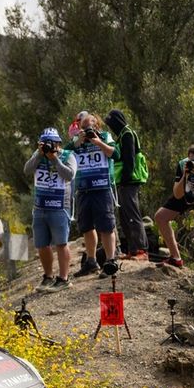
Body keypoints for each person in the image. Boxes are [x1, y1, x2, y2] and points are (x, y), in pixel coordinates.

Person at [67, 113, 120, 277]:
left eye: (89, 125)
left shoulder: (105, 136)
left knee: (106, 226)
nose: (87, 129)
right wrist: (78, 141)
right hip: (83, 190)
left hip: (102, 187)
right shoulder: (77, 142)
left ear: (97, 125)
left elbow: (116, 154)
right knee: (86, 226)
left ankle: (110, 261)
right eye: (83, 127)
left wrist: (97, 141)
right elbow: (64, 154)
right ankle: (91, 261)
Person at [24, 128, 78, 292]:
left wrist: (55, 160)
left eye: (51, 142)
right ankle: (48, 277)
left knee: (61, 243)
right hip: (40, 207)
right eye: (45, 142)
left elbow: (69, 175)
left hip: (59, 206)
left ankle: (64, 279)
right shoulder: (37, 154)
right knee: (41, 244)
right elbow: (27, 170)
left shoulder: (68, 155)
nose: (48, 145)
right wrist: (39, 155)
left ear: (58, 143)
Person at [104, 109, 149, 260]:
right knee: (124, 216)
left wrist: (125, 178)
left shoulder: (127, 134)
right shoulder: (121, 135)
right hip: (122, 182)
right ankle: (132, 249)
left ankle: (141, 250)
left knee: (132, 214)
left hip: (129, 181)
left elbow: (129, 159)